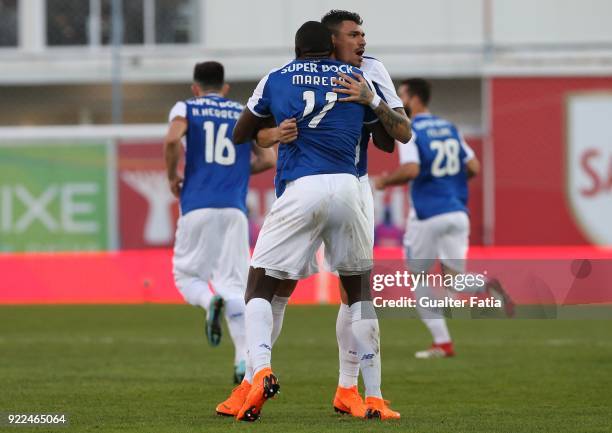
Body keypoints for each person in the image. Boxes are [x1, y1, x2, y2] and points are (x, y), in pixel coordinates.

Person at [218, 21, 401, 422]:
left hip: (303, 187)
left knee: (262, 285)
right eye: (353, 36)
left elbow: (242, 134)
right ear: (332, 43)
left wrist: (275, 132)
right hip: (351, 188)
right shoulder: (357, 78)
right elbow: (392, 138)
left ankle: (262, 372)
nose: (361, 42)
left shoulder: (279, 77)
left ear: (296, 47)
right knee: (357, 293)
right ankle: (374, 396)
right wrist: (369, 104)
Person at [375, 78, 514, 359]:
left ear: (413, 99)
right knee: (453, 282)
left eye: (401, 97)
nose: (399, 104)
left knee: (419, 277)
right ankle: (487, 284)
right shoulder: (449, 128)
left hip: (427, 214)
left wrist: (385, 181)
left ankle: (442, 342)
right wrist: (450, 183)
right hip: (456, 211)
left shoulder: (409, 129)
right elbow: (473, 166)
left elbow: (412, 169)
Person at [164, 61, 276, 383]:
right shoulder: (242, 111)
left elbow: (173, 140)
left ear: (195, 88)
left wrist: (173, 176)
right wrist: (238, 173)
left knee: (186, 277)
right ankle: (243, 360)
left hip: (197, 204)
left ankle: (206, 300)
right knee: (235, 286)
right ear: (225, 88)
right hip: (234, 210)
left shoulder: (187, 107)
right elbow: (268, 158)